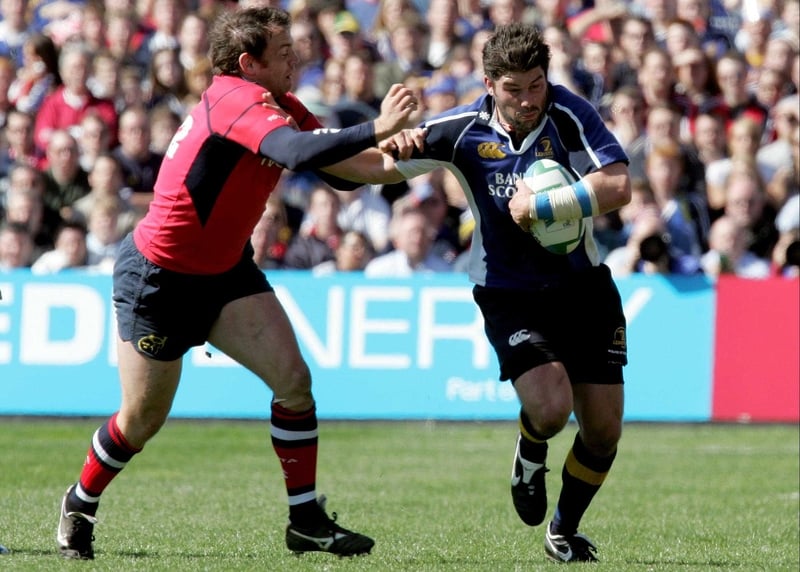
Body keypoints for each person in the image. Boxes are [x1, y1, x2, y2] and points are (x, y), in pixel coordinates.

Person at [55, 5, 417, 561]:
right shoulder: (234, 98)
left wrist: (416, 158)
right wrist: (379, 128)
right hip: (161, 279)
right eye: (285, 52)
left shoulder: (276, 102)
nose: (298, 58)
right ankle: (80, 500)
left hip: (224, 272)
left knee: (295, 382)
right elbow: (298, 154)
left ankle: (306, 521)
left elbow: (342, 168)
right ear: (248, 63)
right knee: (141, 420)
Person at [323, 22, 631, 563]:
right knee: (552, 408)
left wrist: (542, 207)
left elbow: (618, 184)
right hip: (510, 292)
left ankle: (563, 529)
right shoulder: (459, 130)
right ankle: (530, 448)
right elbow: (369, 170)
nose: (528, 99)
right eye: (514, 89)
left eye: (536, 84)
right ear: (490, 83)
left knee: (604, 430)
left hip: (583, 287)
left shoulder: (570, 111)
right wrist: (346, 142)